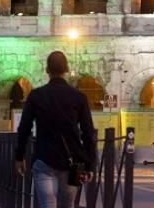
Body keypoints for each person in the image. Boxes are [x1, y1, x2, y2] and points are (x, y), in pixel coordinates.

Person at [15, 51, 97, 208]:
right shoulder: (79, 97)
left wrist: (19, 157)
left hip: (44, 157)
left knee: (47, 204)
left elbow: (24, 128)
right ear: (66, 69)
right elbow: (88, 133)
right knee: (67, 205)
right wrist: (90, 165)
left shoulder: (36, 95)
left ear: (47, 70)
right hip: (71, 161)